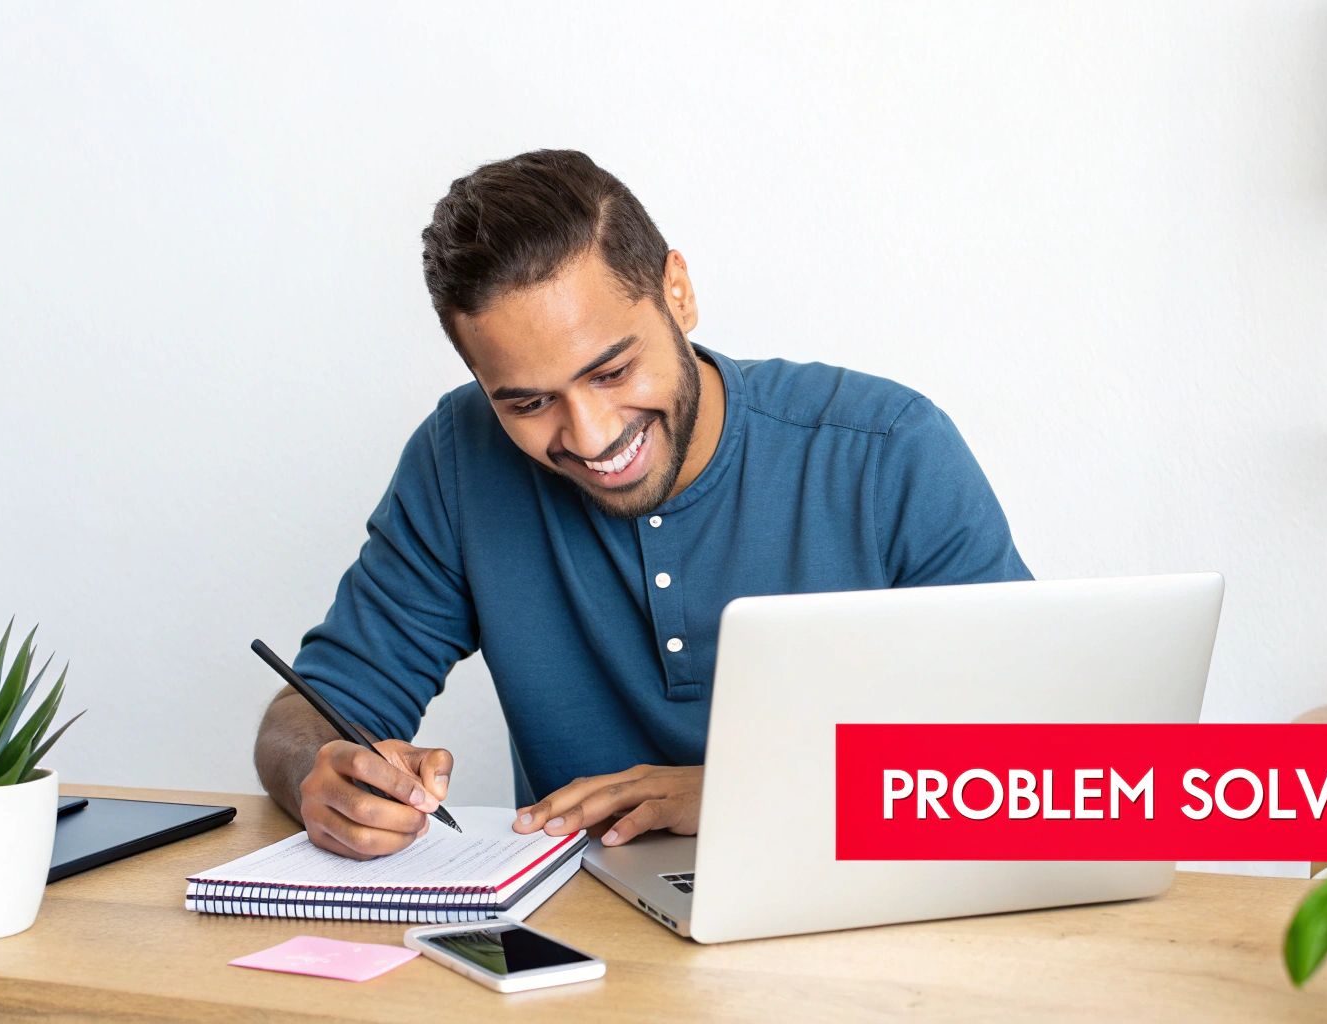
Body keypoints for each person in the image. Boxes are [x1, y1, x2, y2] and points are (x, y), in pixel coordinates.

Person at [253, 149, 1031, 859]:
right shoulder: (460, 459)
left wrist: (738, 795)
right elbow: (313, 713)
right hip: (591, 944)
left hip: (872, 920)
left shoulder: (887, 449)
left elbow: (1064, 771)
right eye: (527, 403)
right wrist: (321, 777)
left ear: (678, 296)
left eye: (611, 372)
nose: (590, 438)